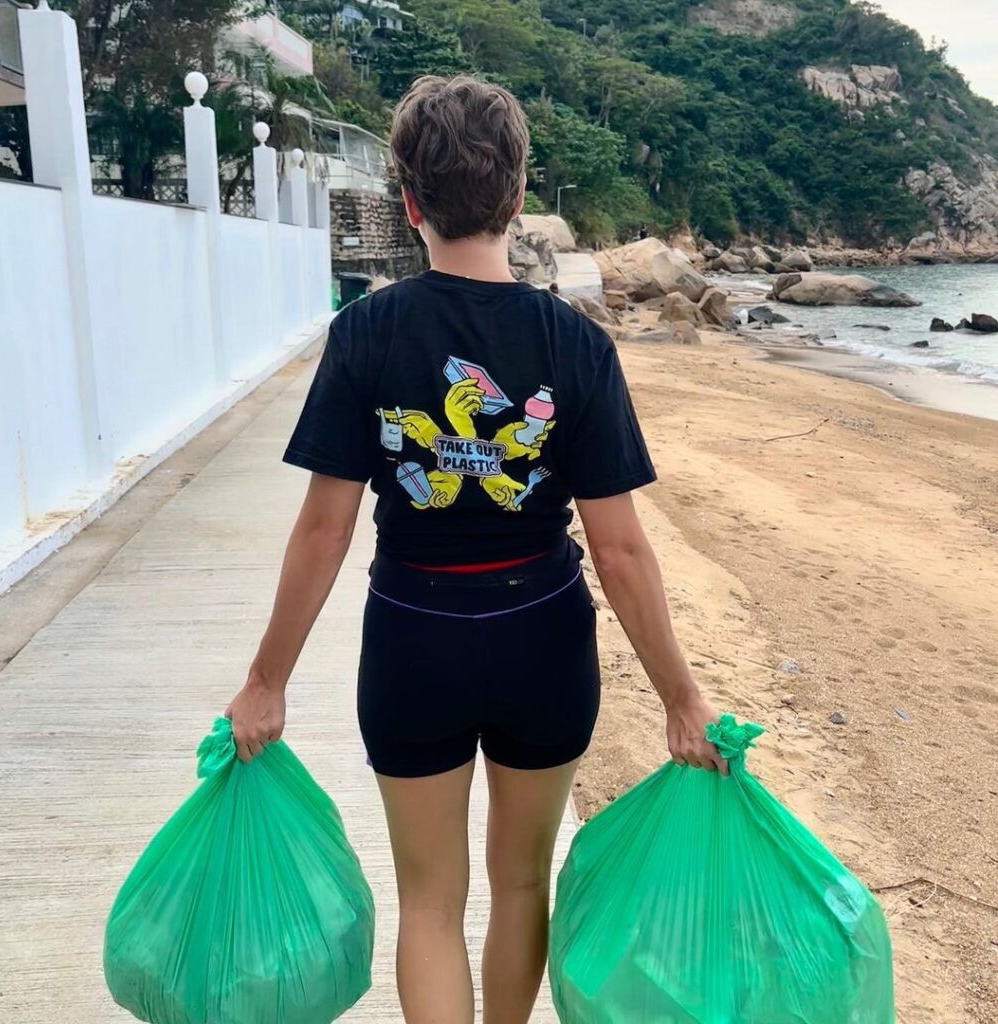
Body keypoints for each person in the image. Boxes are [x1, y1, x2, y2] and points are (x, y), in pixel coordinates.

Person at [225, 75, 726, 1024]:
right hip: (542, 636)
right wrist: (682, 697)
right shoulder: (574, 345)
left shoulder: (366, 332)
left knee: (429, 902)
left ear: (408, 200)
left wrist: (266, 681)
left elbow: (325, 529)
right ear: (517, 193)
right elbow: (618, 550)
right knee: (522, 887)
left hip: (415, 636)